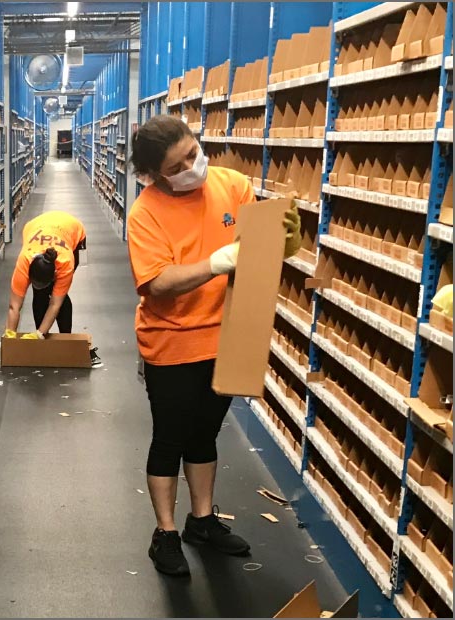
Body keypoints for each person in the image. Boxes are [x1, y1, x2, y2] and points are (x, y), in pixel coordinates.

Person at [126, 116, 301, 576]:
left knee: (205, 434)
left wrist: (286, 240)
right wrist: (215, 263)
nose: (192, 165)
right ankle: (164, 533)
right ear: (155, 174)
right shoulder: (145, 212)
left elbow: (258, 251)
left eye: (193, 152)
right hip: (172, 342)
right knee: (170, 437)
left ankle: (201, 521)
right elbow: (156, 282)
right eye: (178, 164)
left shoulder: (234, 185)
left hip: (227, 337)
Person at [3, 211, 89, 345]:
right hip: (37, 224)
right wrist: (10, 334)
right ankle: (42, 334)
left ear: (54, 273)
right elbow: (14, 306)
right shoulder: (24, 261)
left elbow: (55, 304)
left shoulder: (65, 262)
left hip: (71, 227)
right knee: (40, 294)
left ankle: (65, 336)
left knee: (60, 295)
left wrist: (38, 335)